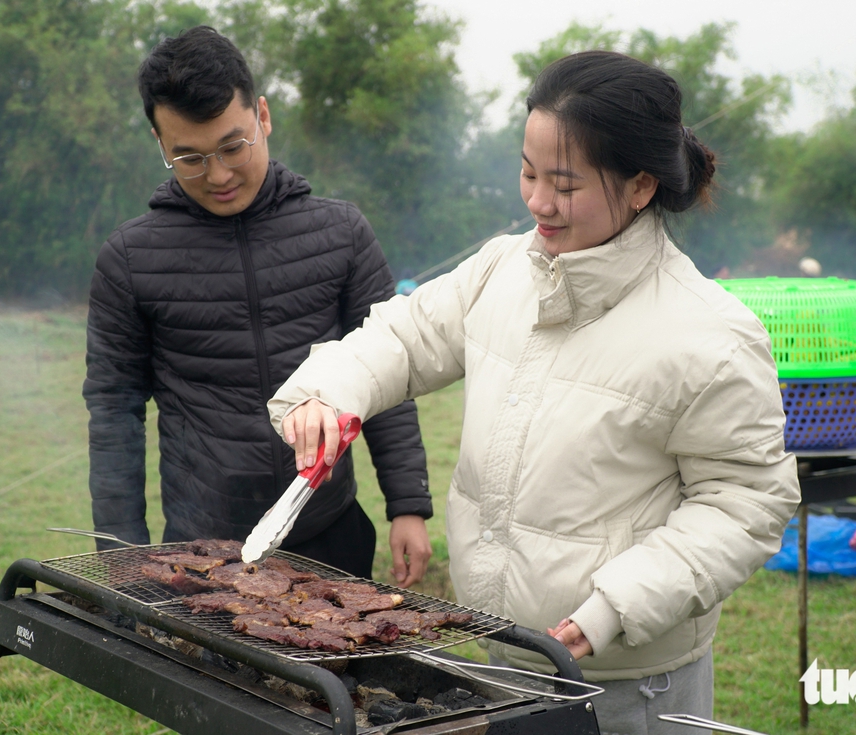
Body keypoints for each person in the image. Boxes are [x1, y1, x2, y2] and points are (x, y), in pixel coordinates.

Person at [269, 51, 800, 734]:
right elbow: (401, 337)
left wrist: (609, 608)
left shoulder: (711, 335)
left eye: (565, 184)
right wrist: (327, 393)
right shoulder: (504, 269)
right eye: (528, 172)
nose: (537, 202)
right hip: (502, 656)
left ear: (640, 187)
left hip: (626, 684)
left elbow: (745, 501)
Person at [83, 26, 433, 585]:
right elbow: (114, 410)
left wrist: (407, 503)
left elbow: (389, 365)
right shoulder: (130, 258)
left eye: (232, 146)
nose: (218, 175)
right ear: (159, 143)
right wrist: (121, 555)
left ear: (263, 116)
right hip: (202, 548)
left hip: (330, 528)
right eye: (189, 158)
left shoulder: (340, 232)